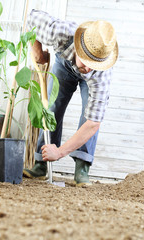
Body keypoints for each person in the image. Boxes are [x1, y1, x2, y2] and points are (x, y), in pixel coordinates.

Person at [23, 9, 118, 187]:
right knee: (51, 107)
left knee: (86, 118)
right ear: (79, 48)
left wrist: (59, 152)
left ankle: (82, 169)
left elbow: (93, 123)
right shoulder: (60, 33)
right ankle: (41, 165)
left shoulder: (100, 75)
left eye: (94, 64)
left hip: (91, 83)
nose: (89, 68)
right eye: (87, 62)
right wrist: (37, 50)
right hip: (64, 64)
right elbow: (32, 19)